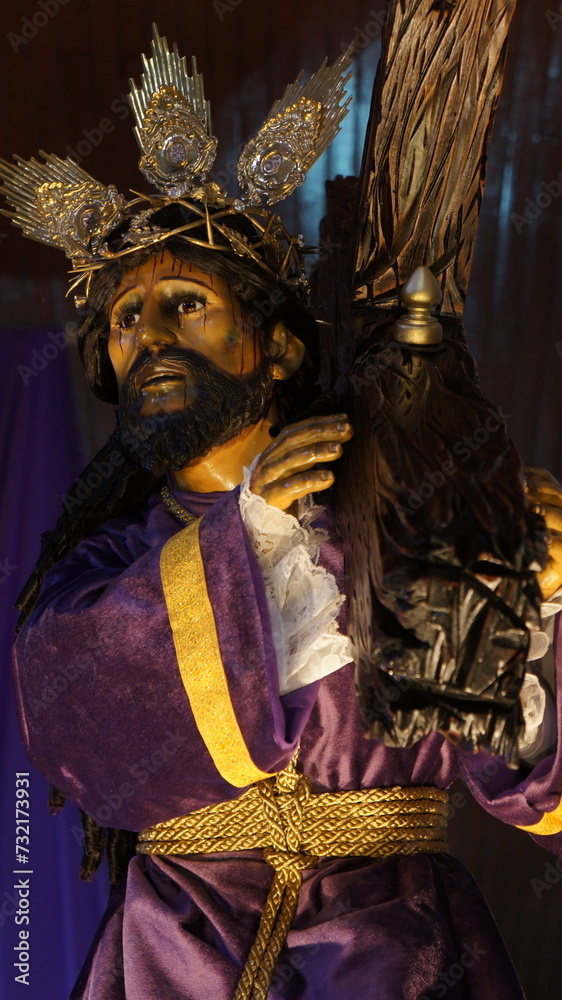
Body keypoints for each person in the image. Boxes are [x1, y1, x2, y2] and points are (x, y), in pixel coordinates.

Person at [5, 25, 562, 1000]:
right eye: (126, 322)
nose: (149, 337)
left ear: (280, 349)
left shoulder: (400, 522)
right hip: (176, 958)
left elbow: (529, 787)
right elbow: (85, 737)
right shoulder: (100, 570)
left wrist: (540, 606)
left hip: (400, 953)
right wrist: (253, 542)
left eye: (185, 302)